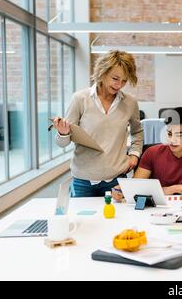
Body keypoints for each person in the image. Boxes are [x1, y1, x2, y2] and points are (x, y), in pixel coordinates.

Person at [54, 50, 143, 197]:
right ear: (102, 72)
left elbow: (137, 131)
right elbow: (62, 143)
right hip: (83, 181)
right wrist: (63, 133)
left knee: (118, 219)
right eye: (115, 78)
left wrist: (134, 155)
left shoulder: (130, 102)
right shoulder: (79, 99)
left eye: (124, 81)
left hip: (116, 179)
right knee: (83, 220)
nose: (119, 85)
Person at [112, 107, 182, 200]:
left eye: (179, 135)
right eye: (169, 133)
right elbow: (136, 186)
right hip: (158, 210)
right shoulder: (152, 152)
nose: (172, 140)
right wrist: (123, 189)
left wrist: (174, 189)